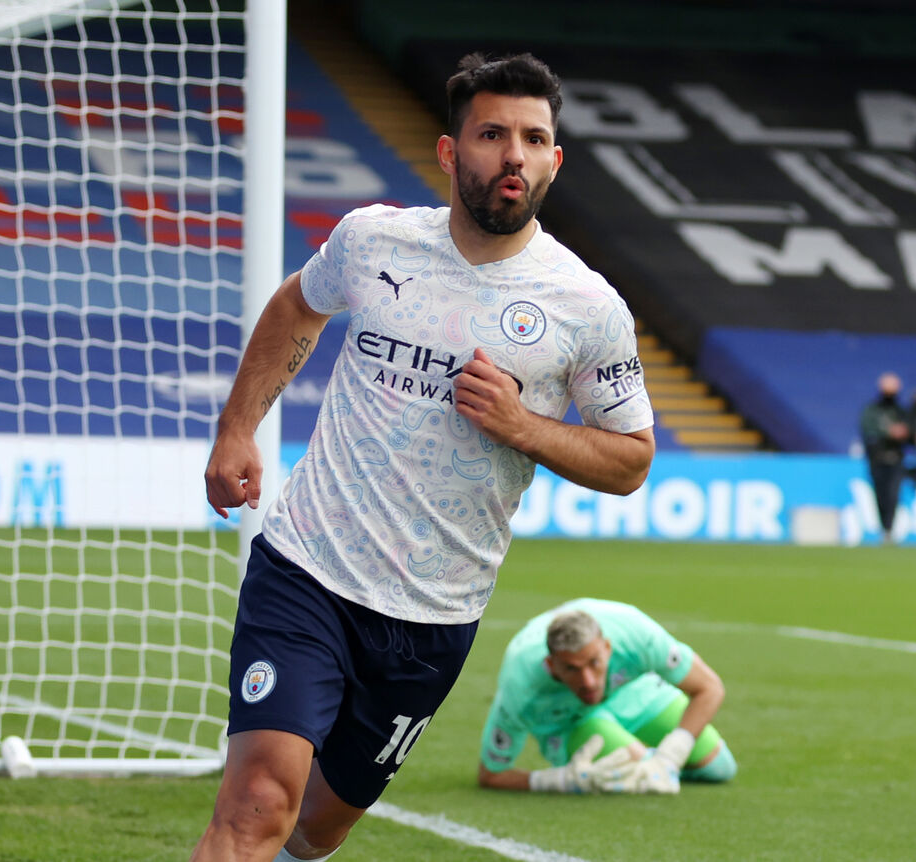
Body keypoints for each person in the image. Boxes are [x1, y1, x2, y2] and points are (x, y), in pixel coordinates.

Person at [194, 53, 655, 862]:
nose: (513, 153)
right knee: (260, 802)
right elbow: (298, 306)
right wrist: (238, 427)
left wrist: (525, 427)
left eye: (533, 137)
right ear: (450, 152)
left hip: (432, 619)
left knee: (315, 828)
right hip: (308, 568)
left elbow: (631, 460)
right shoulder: (373, 240)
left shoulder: (588, 307)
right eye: (491, 133)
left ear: (553, 159)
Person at [478, 598, 736, 795]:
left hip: (634, 693)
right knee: (639, 772)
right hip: (570, 720)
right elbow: (491, 774)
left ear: (608, 648)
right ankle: (639, 753)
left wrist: (670, 757)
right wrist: (558, 780)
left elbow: (710, 688)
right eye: (572, 669)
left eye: (594, 663)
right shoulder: (521, 681)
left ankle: (653, 756)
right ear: (551, 665)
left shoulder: (637, 634)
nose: (588, 681)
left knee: (719, 767)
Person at [859, 372, 916, 542]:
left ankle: (889, 529)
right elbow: (868, 430)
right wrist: (889, 432)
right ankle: (884, 527)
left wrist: (913, 435)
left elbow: (911, 435)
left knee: (893, 494)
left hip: (896, 458)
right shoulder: (872, 410)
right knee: (880, 494)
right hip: (877, 458)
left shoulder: (901, 411)